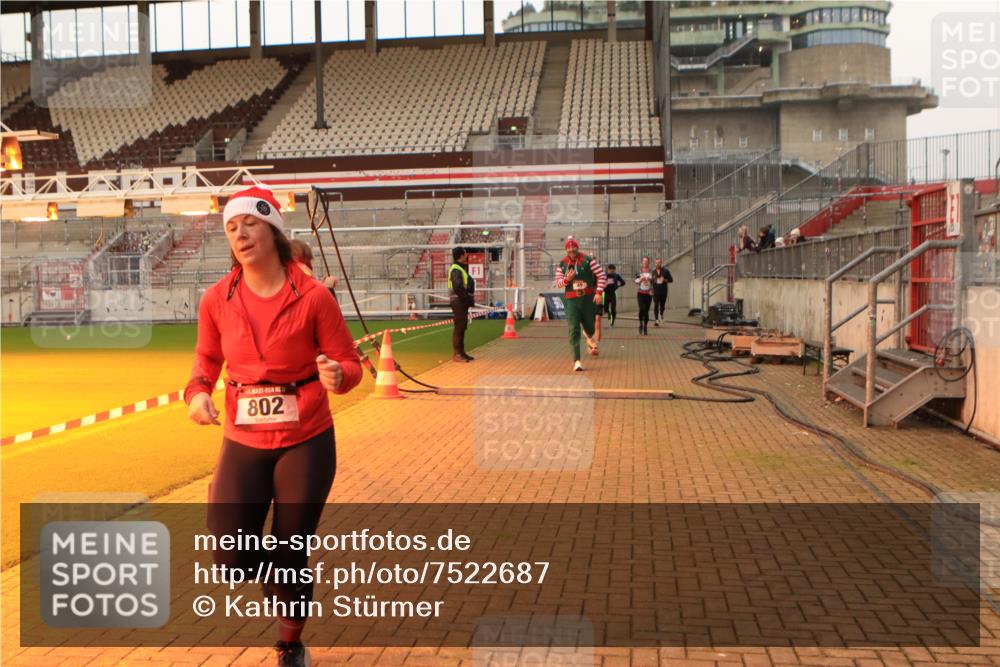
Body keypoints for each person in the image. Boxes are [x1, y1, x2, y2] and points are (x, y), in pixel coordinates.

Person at [184, 186, 362, 667]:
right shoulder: (216, 299)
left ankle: (290, 643)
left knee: (291, 547)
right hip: (243, 439)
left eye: (250, 224)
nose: (240, 234)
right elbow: (206, 360)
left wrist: (339, 375)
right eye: (231, 228)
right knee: (229, 554)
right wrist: (198, 392)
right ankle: (282, 574)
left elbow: (348, 362)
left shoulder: (314, 297)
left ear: (274, 231)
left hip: (306, 440)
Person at [555, 236, 606, 371]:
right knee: (573, 329)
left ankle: (588, 334)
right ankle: (577, 361)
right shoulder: (562, 264)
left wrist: (598, 292)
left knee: (591, 327)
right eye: (569, 248)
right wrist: (567, 279)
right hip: (571, 301)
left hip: (588, 300)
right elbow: (558, 283)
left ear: (577, 248)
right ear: (566, 249)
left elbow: (601, 276)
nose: (571, 250)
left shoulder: (588, 261)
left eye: (573, 247)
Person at [449, 246, 476, 362]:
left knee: (462, 326)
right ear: (461, 255)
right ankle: (457, 354)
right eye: (465, 253)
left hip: (461, 301)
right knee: (459, 327)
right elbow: (458, 287)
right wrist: (467, 299)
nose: (467, 255)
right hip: (459, 301)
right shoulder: (456, 269)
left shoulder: (459, 268)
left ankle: (461, 352)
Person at [651, 258, 673, 327]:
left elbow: (671, 280)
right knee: (656, 305)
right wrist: (651, 288)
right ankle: (656, 320)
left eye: (659, 263)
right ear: (655, 264)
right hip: (655, 291)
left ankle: (661, 314)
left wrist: (664, 280)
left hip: (663, 291)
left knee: (662, 306)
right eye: (656, 263)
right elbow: (650, 281)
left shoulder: (666, 271)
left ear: (661, 263)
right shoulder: (652, 272)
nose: (657, 264)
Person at [634, 256, 654, 335]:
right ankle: (640, 323)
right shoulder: (639, 271)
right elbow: (636, 281)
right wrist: (640, 279)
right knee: (642, 308)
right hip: (640, 293)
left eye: (646, 261)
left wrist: (650, 279)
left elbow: (654, 280)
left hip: (648, 293)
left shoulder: (651, 271)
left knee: (646, 311)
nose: (645, 263)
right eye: (644, 261)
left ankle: (645, 326)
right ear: (642, 262)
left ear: (649, 262)